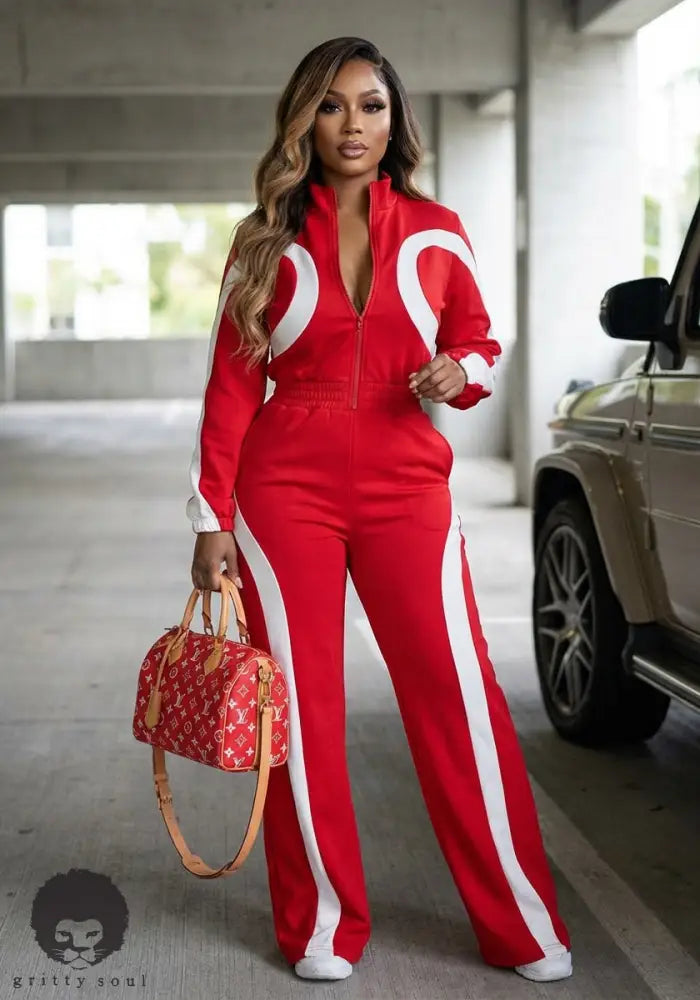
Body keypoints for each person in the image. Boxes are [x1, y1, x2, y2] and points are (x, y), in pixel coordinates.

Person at [186, 35, 572, 985]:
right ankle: (320, 925)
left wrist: (459, 371)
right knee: (299, 709)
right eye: (331, 106)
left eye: (371, 105)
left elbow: (479, 343)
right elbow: (231, 385)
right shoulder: (261, 240)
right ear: (303, 120)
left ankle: (522, 926)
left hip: (408, 483)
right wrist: (211, 519)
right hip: (284, 492)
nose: (351, 125)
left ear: (396, 120)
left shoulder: (438, 231)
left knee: (458, 696)